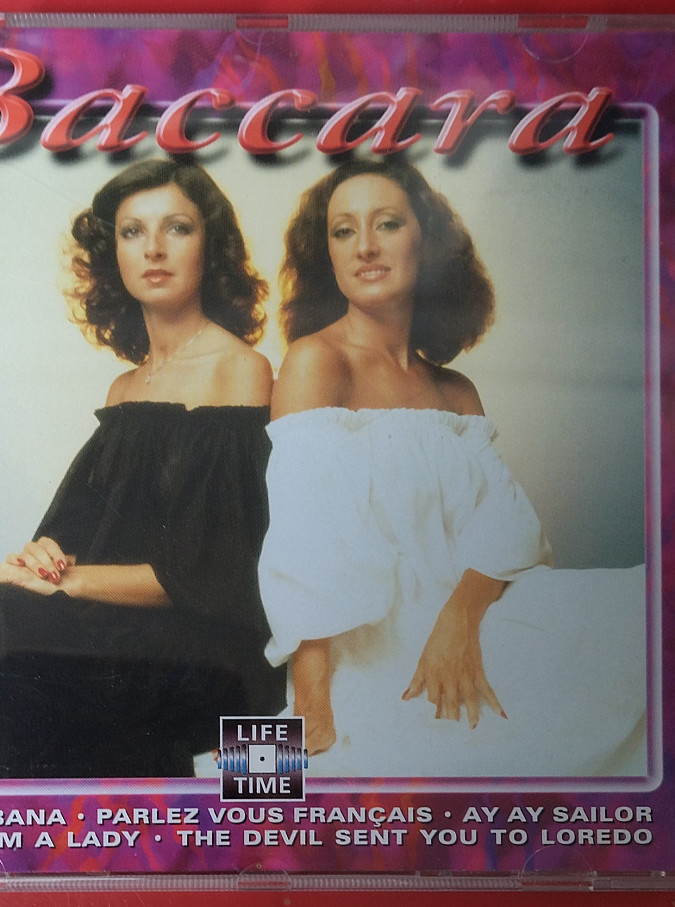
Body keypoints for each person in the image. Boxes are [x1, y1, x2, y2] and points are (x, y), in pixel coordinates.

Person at [0, 159, 284, 779]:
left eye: (177, 228)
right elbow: (90, 533)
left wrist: (67, 582)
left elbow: (212, 573)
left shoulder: (240, 369)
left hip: (201, 646)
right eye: (132, 232)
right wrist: (43, 558)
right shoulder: (125, 389)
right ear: (113, 254)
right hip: (113, 630)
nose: (153, 248)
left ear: (211, 246)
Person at [258, 158, 646, 777]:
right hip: (374, 658)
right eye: (343, 231)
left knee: (649, 613)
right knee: (244, 789)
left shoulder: (456, 392)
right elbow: (304, 546)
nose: (365, 246)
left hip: (475, 630)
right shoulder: (315, 361)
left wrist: (459, 621)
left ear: (427, 242)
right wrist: (310, 709)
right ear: (327, 255)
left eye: (387, 224)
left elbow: (511, 534)